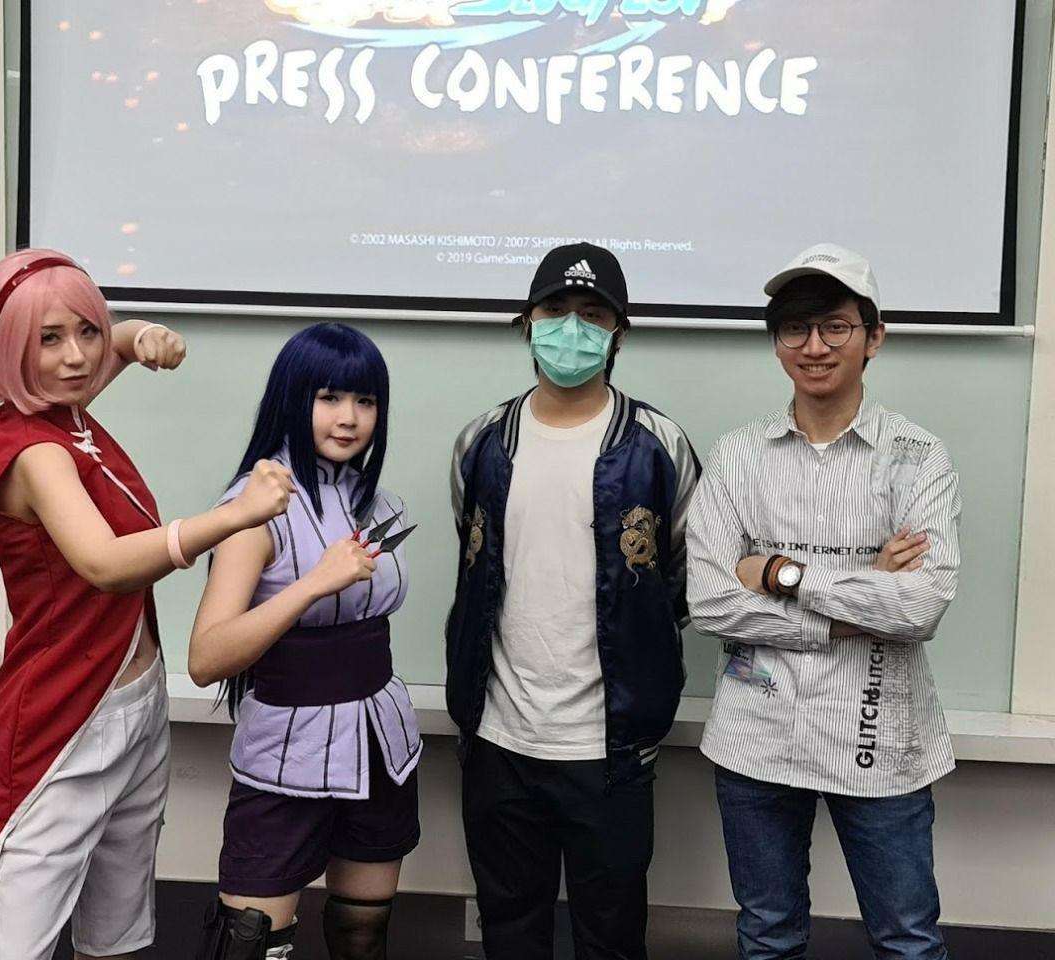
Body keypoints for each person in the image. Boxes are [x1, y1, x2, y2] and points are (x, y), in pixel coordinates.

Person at [0, 248, 295, 960]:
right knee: (17, 941)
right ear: (7, 346)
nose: (76, 356)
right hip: (65, 712)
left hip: (135, 704)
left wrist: (134, 334)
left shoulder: (66, 415)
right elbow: (106, 565)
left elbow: (100, 352)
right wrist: (234, 516)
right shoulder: (34, 451)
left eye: (85, 331)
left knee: (116, 931)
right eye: (48, 339)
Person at [687, 243, 961, 960]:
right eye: (795, 329)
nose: (814, 347)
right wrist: (862, 596)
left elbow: (922, 607)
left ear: (875, 337)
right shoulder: (738, 456)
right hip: (756, 738)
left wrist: (781, 574)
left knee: (907, 939)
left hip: (881, 738)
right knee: (767, 935)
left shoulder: (917, 456)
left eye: (836, 326)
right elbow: (709, 603)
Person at [445, 242, 700, 959]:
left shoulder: (658, 445)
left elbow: (682, 581)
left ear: (620, 331)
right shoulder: (481, 442)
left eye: (593, 314)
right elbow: (475, 567)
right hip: (499, 740)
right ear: (526, 322)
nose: (572, 328)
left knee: (611, 939)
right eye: (556, 310)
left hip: (610, 748)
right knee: (509, 932)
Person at [190, 322, 422, 960]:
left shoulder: (378, 501)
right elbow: (207, 658)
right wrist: (315, 583)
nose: (349, 418)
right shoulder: (252, 507)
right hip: (285, 753)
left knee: (362, 935)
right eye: (330, 397)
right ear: (294, 398)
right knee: (250, 944)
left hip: (380, 744)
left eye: (366, 401)